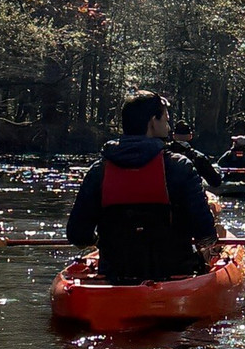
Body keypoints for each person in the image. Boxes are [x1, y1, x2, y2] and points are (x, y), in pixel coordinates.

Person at [66, 91, 220, 284]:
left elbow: (77, 235)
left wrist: (99, 242)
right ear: (153, 122)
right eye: (166, 120)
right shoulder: (180, 167)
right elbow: (205, 233)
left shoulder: (98, 171)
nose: (168, 126)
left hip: (115, 275)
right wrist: (209, 252)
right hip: (173, 275)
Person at [167, 120, 223, 188]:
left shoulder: (163, 153)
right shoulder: (198, 157)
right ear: (190, 136)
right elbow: (216, 182)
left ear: (174, 136)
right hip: (190, 193)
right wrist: (217, 171)